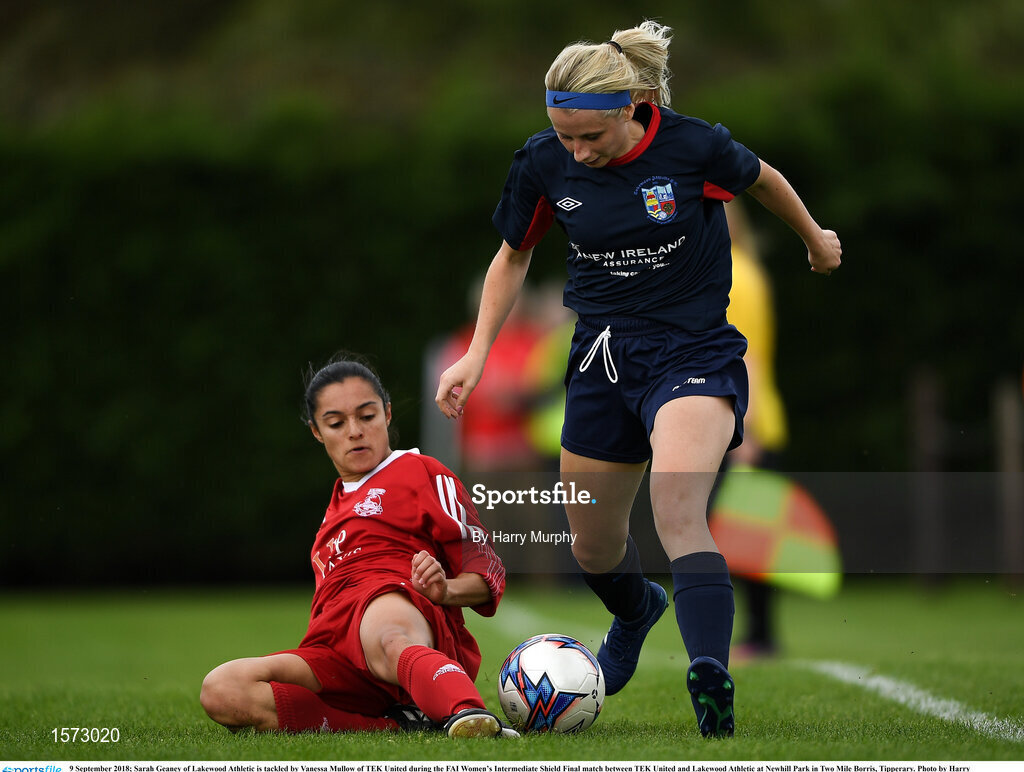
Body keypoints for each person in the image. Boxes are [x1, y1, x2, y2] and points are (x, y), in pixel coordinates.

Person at [435, 20, 841, 739]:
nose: (577, 152)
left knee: (677, 508)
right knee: (592, 546)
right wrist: (477, 353)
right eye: (563, 136)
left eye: (589, 137)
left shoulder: (692, 146)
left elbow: (764, 180)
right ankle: (636, 609)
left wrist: (814, 239)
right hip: (601, 362)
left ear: (630, 106)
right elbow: (512, 256)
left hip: (693, 354)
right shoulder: (543, 164)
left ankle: (710, 677)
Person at [201, 357, 517, 739]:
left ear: (386, 413)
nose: (354, 431)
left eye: (366, 416)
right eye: (336, 423)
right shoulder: (330, 519)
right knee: (222, 688)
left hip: (397, 611)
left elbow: (488, 571)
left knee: (386, 631)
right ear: (317, 432)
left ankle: (469, 715)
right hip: (335, 647)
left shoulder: (422, 472)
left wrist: (445, 590)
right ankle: (395, 725)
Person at [722, 199, 790, 660]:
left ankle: (761, 637)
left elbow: (749, 356)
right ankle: (758, 635)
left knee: (750, 538)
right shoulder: (735, 268)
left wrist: (745, 432)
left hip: (748, 426)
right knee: (744, 535)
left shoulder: (736, 274)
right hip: (744, 422)